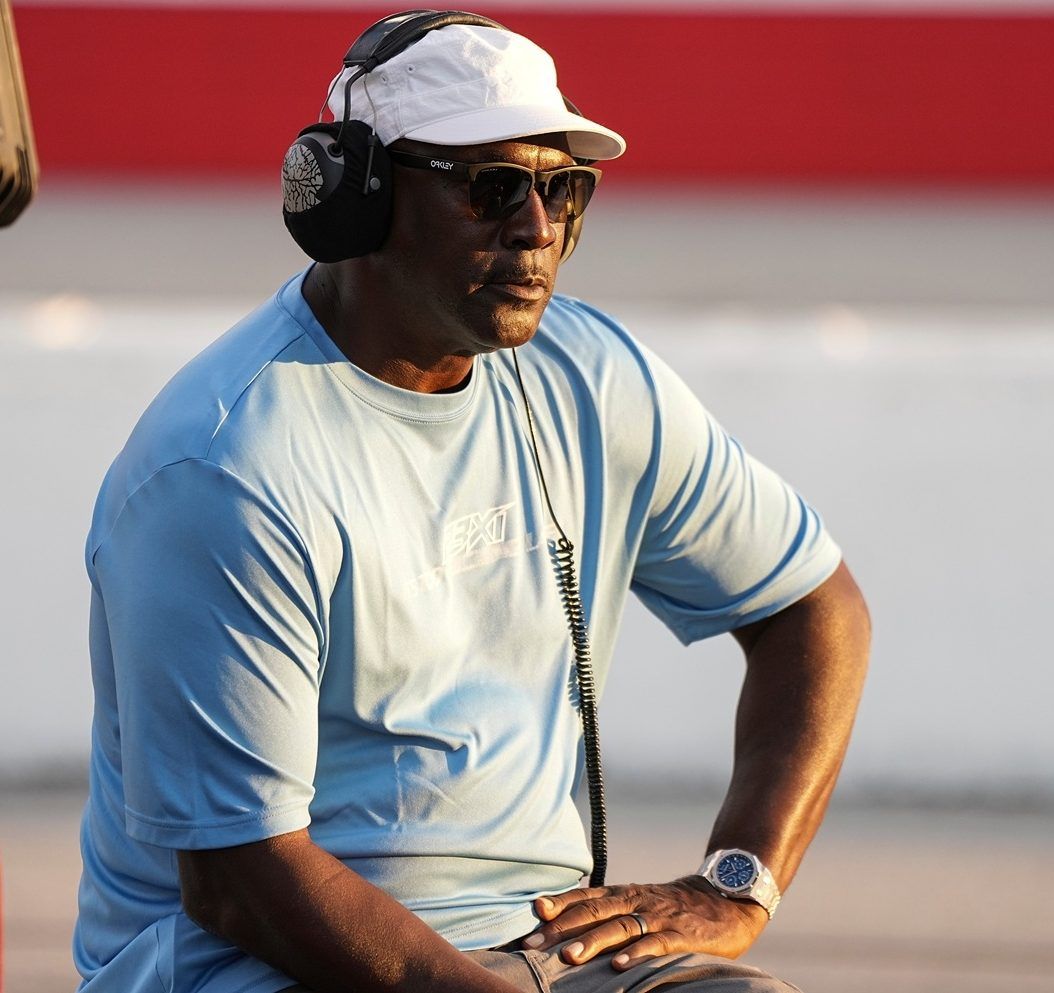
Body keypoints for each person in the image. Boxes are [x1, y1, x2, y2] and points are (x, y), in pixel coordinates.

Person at [73, 11, 870, 993]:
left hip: (542, 953)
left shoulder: (592, 378)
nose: (536, 229)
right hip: (264, 966)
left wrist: (738, 882)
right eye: (490, 187)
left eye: (562, 189)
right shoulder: (226, 467)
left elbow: (813, 606)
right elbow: (242, 883)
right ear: (355, 200)